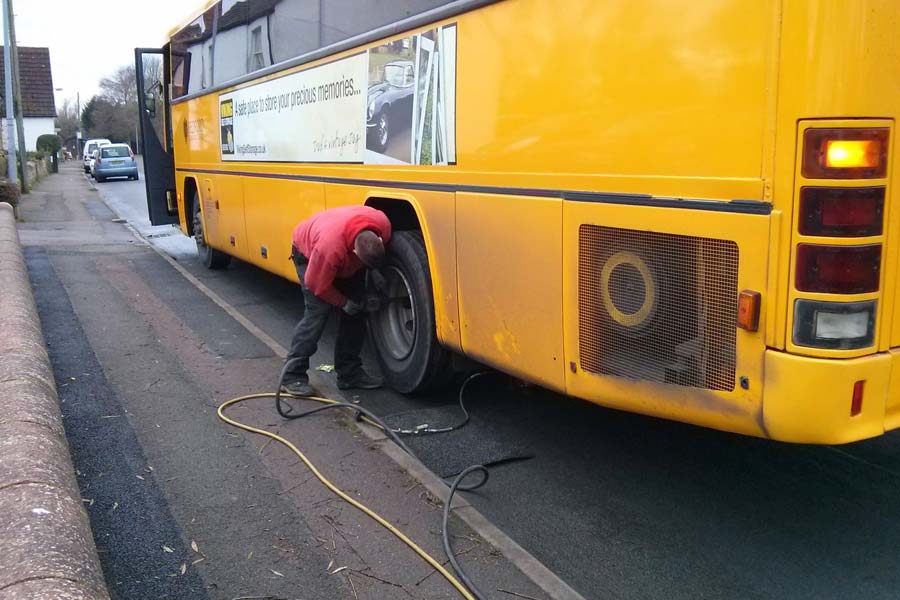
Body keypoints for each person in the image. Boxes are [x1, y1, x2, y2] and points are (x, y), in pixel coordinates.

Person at [281, 205, 391, 396]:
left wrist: (375, 273)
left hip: (343, 252)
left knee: (359, 309)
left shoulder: (383, 224)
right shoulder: (329, 248)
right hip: (309, 255)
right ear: (355, 254)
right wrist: (343, 303)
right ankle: (292, 374)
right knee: (318, 313)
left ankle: (349, 374)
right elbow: (317, 285)